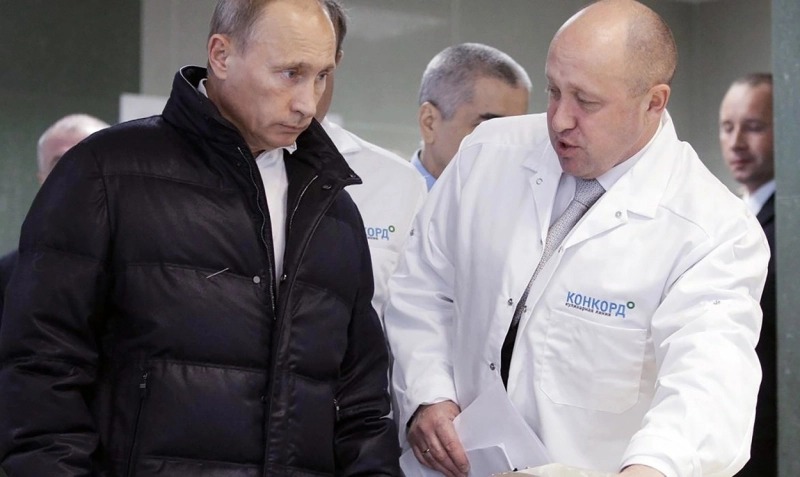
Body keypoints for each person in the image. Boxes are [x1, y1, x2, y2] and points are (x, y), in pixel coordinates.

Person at [0, 0, 399, 475]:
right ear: (221, 55)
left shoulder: (333, 209)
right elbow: (40, 370)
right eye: (290, 73)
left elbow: (360, 403)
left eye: (322, 76)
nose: (307, 104)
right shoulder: (104, 173)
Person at [385, 1, 770, 477]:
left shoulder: (713, 229)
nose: (559, 120)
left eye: (586, 102)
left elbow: (708, 383)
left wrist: (652, 468)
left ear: (654, 102)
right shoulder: (487, 153)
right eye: (553, 91)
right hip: (445, 465)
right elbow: (421, 287)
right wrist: (428, 394)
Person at [316, 0, 428, 318]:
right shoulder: (197, 170)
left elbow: (416, 318)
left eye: (321, 73)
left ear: (336, 61)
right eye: (289, 71)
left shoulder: (398, 183)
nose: (304, 95)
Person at [719, 72, 776, 477]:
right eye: (727, 127)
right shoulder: (725, 217)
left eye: (753, 127)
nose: (737, 142)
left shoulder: (788, 225)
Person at [0, 114, 109, 325]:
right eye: (59, 164)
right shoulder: (9, 276)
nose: (74, 175)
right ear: (42, 181)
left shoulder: (154, 264)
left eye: (89, 162)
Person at [412, 43, 531, 190]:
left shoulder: (521, 199)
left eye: (517, 133)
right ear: (429, 123)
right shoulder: (389, 200)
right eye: (490, 130)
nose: (509, 150)